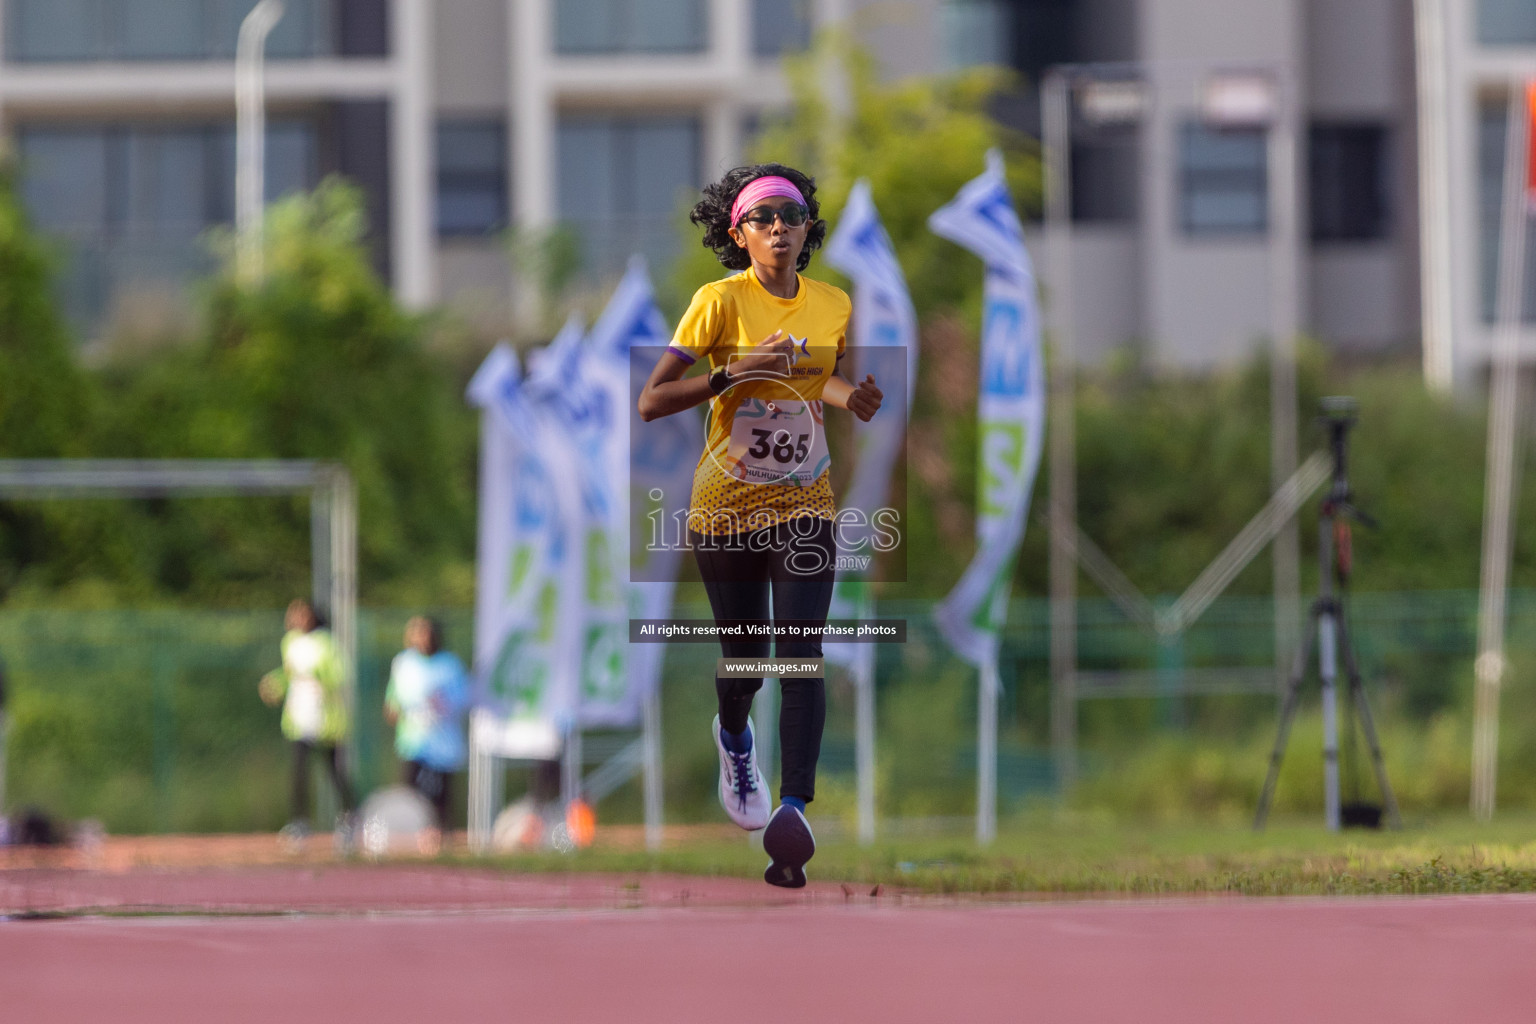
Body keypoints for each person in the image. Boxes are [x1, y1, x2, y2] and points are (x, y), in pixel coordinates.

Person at [638, 163, 883, 888]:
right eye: (765, 217)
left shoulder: (833, 304)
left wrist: (849, 397)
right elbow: (652, 400)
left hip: (805, 505)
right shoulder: (718, 302)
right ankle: (734, 735)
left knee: (802, 652)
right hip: (725, 509)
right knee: (746, 660)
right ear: (738, 233)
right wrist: (731, 372)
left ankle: (793, 810)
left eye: (793, 215)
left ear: (808, 231)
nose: (780, 227)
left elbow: (816, 380)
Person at [259, 598, 355, 846]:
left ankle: (349, 820)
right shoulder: (290, 642)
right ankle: (299, 823)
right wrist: (275, 684)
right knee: (298, 770)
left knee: (334, 772)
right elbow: (288, 674)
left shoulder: (327, 643)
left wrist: (315, 675)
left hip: (325, 719)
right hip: (299, 717)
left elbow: (339, 675)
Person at [383, 616, 469, 836]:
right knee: (410, 791)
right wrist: (393, 709)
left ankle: (443, 833)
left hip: (442, 742)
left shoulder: (450, 665)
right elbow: (394, 698)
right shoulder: (403, 663)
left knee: (442, 794)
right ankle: (411, 835)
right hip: (413, 741)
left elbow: (462, 698)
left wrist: (444, 703)